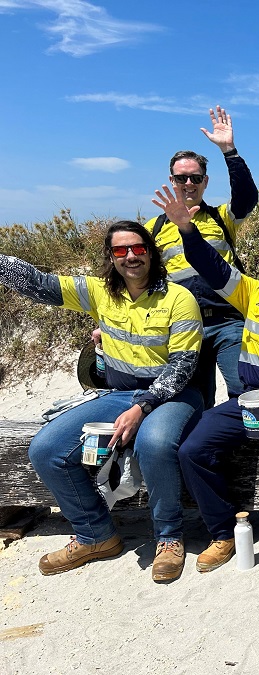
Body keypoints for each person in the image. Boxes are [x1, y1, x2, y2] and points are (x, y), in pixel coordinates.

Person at [0, 221, 204, 582]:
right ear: (110, 257)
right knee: (46, 449)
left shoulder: (178, 297)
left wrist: (141, 409)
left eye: (138, 248)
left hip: (174, 394)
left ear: (151, 252)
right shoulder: (98, 291)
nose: (130, 257)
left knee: (153, 443)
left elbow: (182, 367)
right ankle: (96, 534)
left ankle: (169, 537)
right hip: (118, 394)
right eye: (120, 250)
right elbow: (41, 285)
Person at [152, 184, 259, 575]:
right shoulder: (250, 292)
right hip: (249, 399)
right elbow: (210, 266)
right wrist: (186, 230)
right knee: (192, 448)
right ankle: (222, 533)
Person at [148, 105, 259, 408]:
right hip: (184, 328)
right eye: (181, 178)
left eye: (195, 178)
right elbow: (136, 282)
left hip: (229, 321)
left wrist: (230, 151)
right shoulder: (152, 230)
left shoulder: (222, 217)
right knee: (193, 401)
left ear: (205, 182)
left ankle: (245, 451)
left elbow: (247, 199)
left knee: (245, 390)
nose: (188, 184)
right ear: (171, 180)